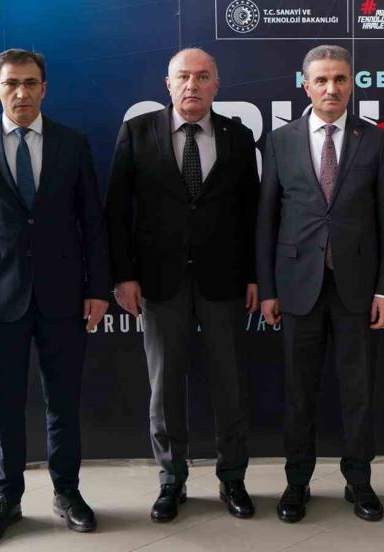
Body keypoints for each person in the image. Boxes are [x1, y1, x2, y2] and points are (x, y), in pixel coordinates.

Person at [0, 48, 111, 546]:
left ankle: (67, 492)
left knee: (63, 403)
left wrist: (97, 288)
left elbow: (93, 223)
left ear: (44, 88)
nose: (21, 92)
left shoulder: (72, 144)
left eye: (31, 83)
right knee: (5, 405)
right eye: (12, 83)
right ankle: (5, 499)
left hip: (64, 295)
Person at [106, 48, 259, 523]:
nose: (192, 85)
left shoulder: (238, 136)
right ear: (168, 84)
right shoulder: (137, 132)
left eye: (203, 76)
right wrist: (123, 276)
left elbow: (252, 214)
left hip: (225, 281)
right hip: (159, 281)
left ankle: (232, 478)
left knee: (230, 384)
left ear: (217, 85)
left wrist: (256, 276)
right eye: (184, 77)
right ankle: (172, 480)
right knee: (165, 385)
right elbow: (116, 211)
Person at [256, 44, 384, 523]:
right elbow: (266, 220)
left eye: (339, 79)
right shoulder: (280, 141)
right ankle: (297, 482)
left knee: (358, 391)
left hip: (357, 289)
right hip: (297, 287)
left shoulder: (374, 140)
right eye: (321, 80)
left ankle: (359, 481)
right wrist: (268, 289)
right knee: (300, 391)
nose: (331, 88)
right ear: (306, 85)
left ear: (351, 84)